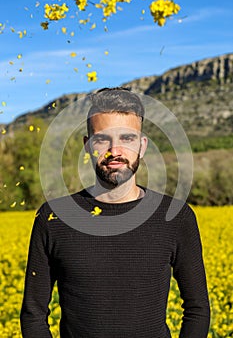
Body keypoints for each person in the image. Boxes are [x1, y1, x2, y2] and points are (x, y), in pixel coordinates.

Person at [20, 87, 210, 337]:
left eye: (127, 138)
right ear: (87, 146)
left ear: (142, 146)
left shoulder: (176, 216)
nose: (115, 151)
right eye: (102, 139)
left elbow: (197, 310)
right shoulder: (53, 218)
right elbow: (33, 314)